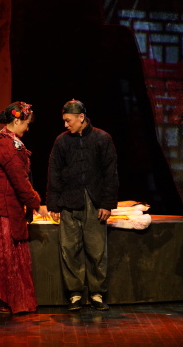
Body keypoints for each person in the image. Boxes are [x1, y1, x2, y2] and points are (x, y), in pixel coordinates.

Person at [0, 101, 49, 314]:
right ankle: (1, 299)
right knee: (4, 259)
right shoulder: (5, 144)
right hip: (1, 212)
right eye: (26, 123)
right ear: (16, 121)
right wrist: (36, 204)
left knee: (8, 258)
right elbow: (19, 180)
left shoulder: (8, 141)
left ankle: (5, 299)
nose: (27, 128)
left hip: (6, 208)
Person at [46, 99, 119, 311]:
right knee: (70, 249)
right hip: (69, 202)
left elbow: (111, 173)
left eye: (68, 120)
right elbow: (54, 172)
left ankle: (97, 293)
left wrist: (107, 204)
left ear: (81, 117)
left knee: (97, 250)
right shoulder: (62, 141)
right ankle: (75, 293)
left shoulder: (102, 138)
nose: (65, 124)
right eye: (64, 120)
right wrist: (53, 204)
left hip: (94, 202)